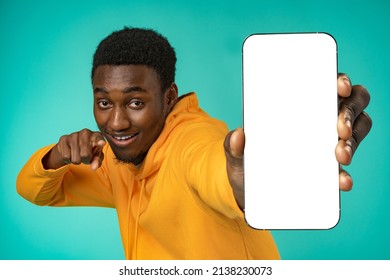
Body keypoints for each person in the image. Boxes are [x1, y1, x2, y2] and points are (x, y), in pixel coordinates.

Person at [16, 27, 372, 260]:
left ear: (169, 97)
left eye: (136, 102)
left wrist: (246, 179)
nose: (117, 122)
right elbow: (35, 190)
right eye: (104, 103)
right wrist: (58, 155)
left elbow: (212, 169)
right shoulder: (114, 161)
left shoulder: (191, 140)